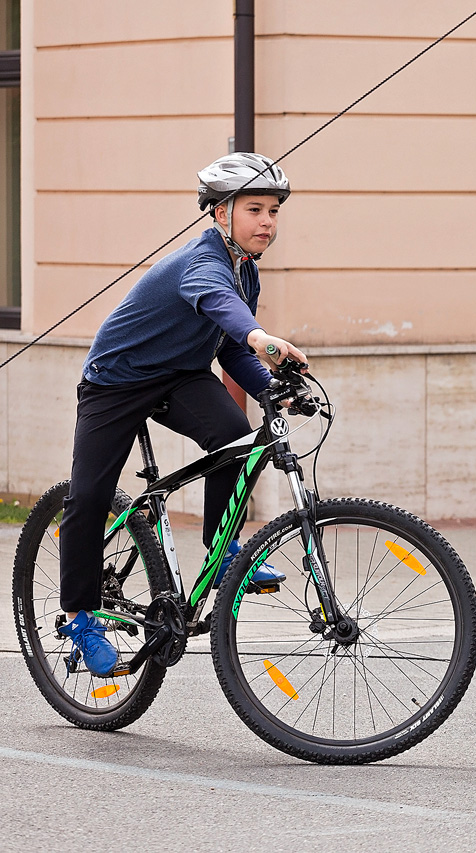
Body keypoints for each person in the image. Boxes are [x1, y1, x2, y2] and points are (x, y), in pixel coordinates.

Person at [56, 153, 307, 678]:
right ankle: (79, 615)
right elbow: (218, 304)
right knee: (89, 494)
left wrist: (271, 387)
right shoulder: (205, 261)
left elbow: (228, 345)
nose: (268, 222)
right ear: (219, 214)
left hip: (180, 376)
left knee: (239, 437)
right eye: (255, 209)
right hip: (117, 381)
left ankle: (223, 553)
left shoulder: (245, 270)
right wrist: (262, 337)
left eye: (274, 211)